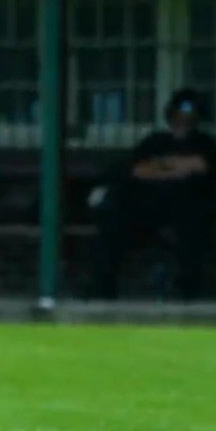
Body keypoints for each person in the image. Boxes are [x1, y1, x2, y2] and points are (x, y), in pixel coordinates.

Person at [91, 88, 214, 300]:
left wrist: (160, 167)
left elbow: (201, 166)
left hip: (187, 212)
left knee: (193, 233)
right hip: (146, 209)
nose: (183, 119)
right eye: (179, 114)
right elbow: (136, 169)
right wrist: (174, 168)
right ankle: (103, 291)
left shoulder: (205, 143)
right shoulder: (155, 141)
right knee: (110, 226)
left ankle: (187, 293)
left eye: (189, 114)